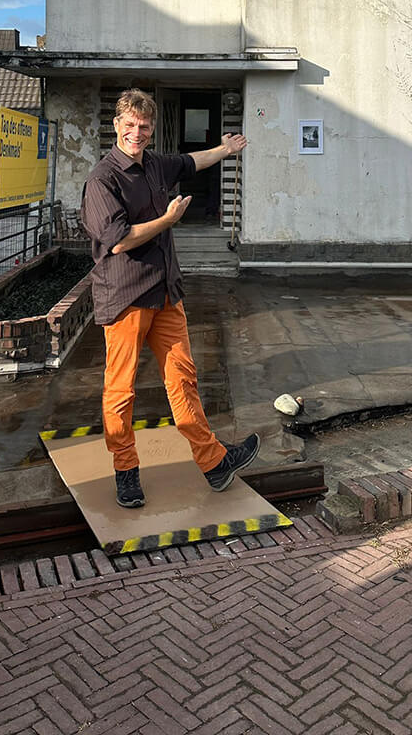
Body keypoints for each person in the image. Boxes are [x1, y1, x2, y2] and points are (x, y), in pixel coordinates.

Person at [80, 88, 259, 508]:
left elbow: (192, 162)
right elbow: (119, 241)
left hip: (165, 293)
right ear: (116, 125)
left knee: (183, 379)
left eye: (144, 126)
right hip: (126, 297)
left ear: (152, 128)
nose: (137, 132)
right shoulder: (102, 180)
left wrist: (225, 149)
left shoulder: (157, 164)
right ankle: (126, 472)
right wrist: (167, 219)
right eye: (129, 125)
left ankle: (214, 463)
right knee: (121, 389)